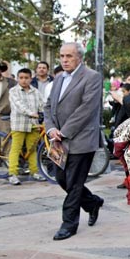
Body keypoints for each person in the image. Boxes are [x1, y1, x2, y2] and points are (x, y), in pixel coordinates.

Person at [44, 42, 105, 241]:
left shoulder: (92, 77)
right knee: (62, 179)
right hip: (59, 141)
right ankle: (92, 203)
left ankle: (69, 224)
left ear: (79, 57)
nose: (64, 60)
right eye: (62, 56)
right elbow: (48, 107)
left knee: (75, 183)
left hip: (81, 140)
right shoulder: (58, 78)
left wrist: (64, 132)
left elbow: (86, 110)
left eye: (69, 56)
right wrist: (51, 129)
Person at [7, 68, 47, 185]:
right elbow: (19, 105)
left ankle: (34, 172)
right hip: (19, 124)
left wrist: (45, 113)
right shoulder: (13, 91)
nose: (24, 80)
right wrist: (31, 113)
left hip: (33, 125)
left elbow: (42, 104)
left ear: (31, 78)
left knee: (32, 149)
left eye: (26, 78)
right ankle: (12, 174)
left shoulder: (36, 91)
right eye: (21, 78)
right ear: (17, 79)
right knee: (16, 149)